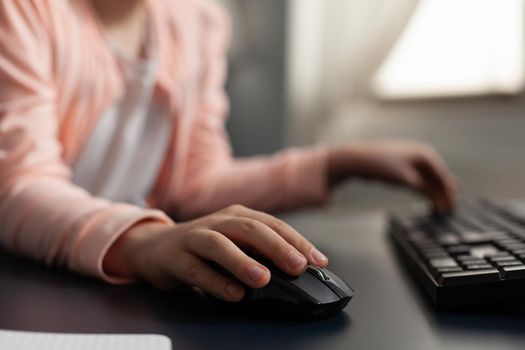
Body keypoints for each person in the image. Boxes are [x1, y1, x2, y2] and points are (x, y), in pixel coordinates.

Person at [0, 0, 456, 302]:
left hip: (121, 286)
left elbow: (195, 184)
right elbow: (19, 186)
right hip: (29, 282)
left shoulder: (199, 22)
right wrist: (145, 241)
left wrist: (336, 163)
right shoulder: (23, 11)